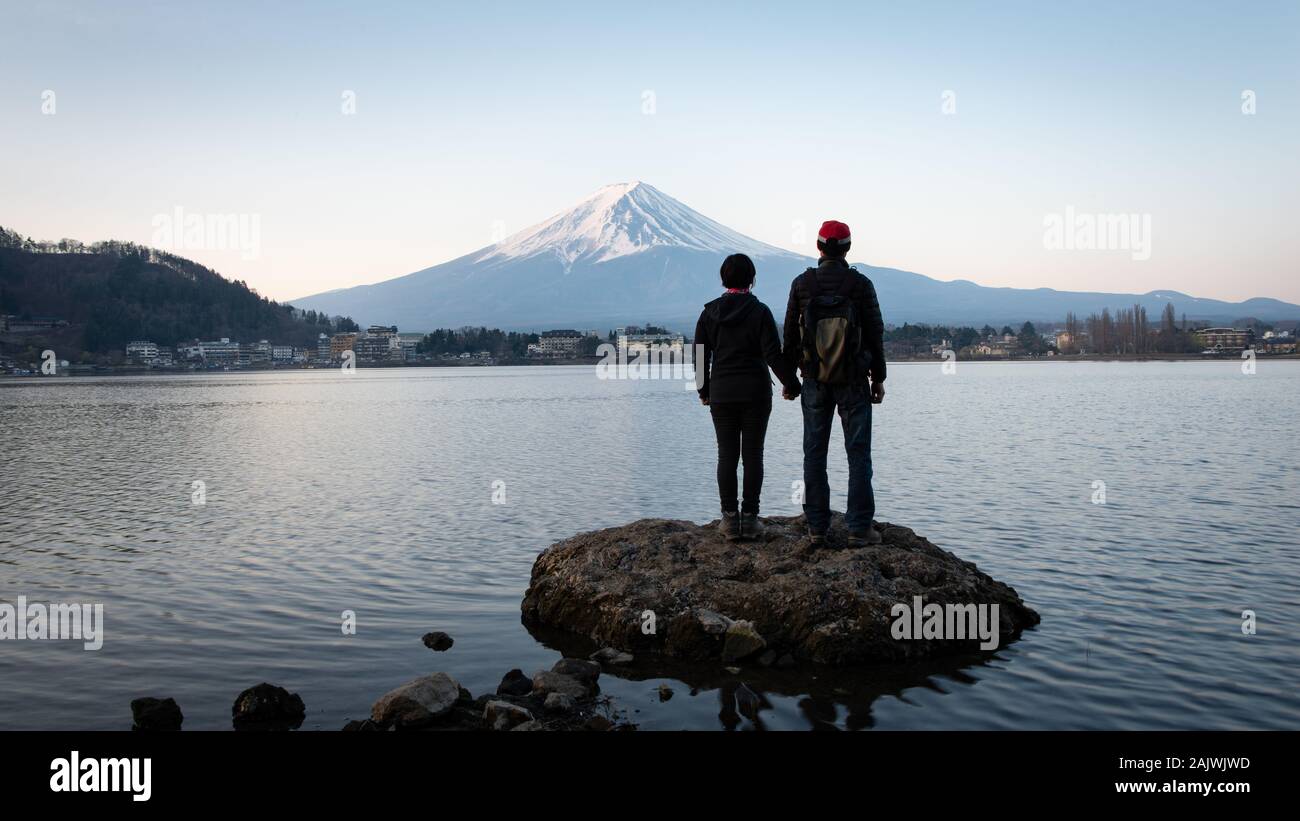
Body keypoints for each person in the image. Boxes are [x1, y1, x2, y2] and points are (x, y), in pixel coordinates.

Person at [782, 220, 886, 548]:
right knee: (858, 454)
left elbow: (789, 336)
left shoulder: (802, 284)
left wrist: (789, 380)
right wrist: (878, 377)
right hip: (853, 380)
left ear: (818, 247)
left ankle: (816, 527)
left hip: (814, 380)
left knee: (814, 452)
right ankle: (859, 527)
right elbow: (874, 332)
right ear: (847, 249)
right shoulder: (860, 284)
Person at [695, 253, 802, 541]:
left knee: (727, 455)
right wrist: (791, 384)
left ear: (723, 279)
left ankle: (730, 520)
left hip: (722, 393)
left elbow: (700, 358)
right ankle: (751, 518)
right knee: (753, 454)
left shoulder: (708, 314)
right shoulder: (760, 312)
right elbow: (772, 354)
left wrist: (704, 391)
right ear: (752, 280)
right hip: (755, 392)